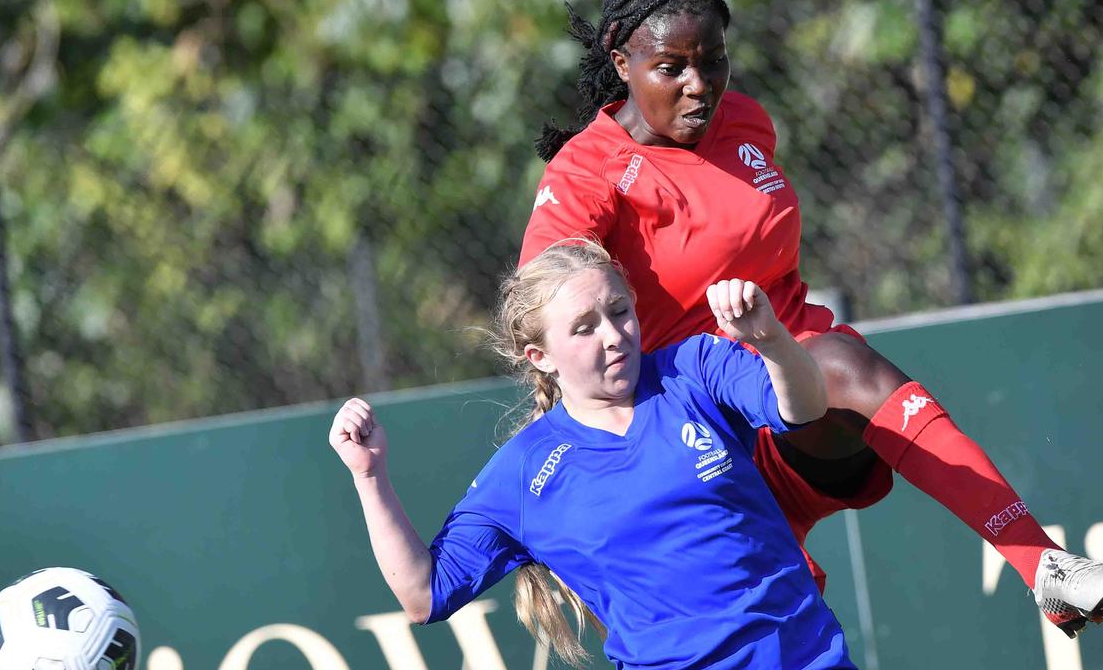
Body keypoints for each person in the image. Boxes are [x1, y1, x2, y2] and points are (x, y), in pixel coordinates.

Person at [521, 0, 1103, 639]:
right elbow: (545, 307)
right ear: (622, 61)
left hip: (792, 399)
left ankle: (1042, 566)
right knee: (780, 633)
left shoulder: (745, 123)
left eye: (714, 62)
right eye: (672, 69)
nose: (700, 87)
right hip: (698, 435)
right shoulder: (586, 172)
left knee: (847, 367)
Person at [330, 241, 860, 668]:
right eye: (584, 328)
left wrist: (770, 338)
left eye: (620, 311)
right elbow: (424, 595)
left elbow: (806, 407)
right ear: (541, 357)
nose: (614, 336)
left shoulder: (694, 368)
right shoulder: (526, 471)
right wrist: (369, 475)